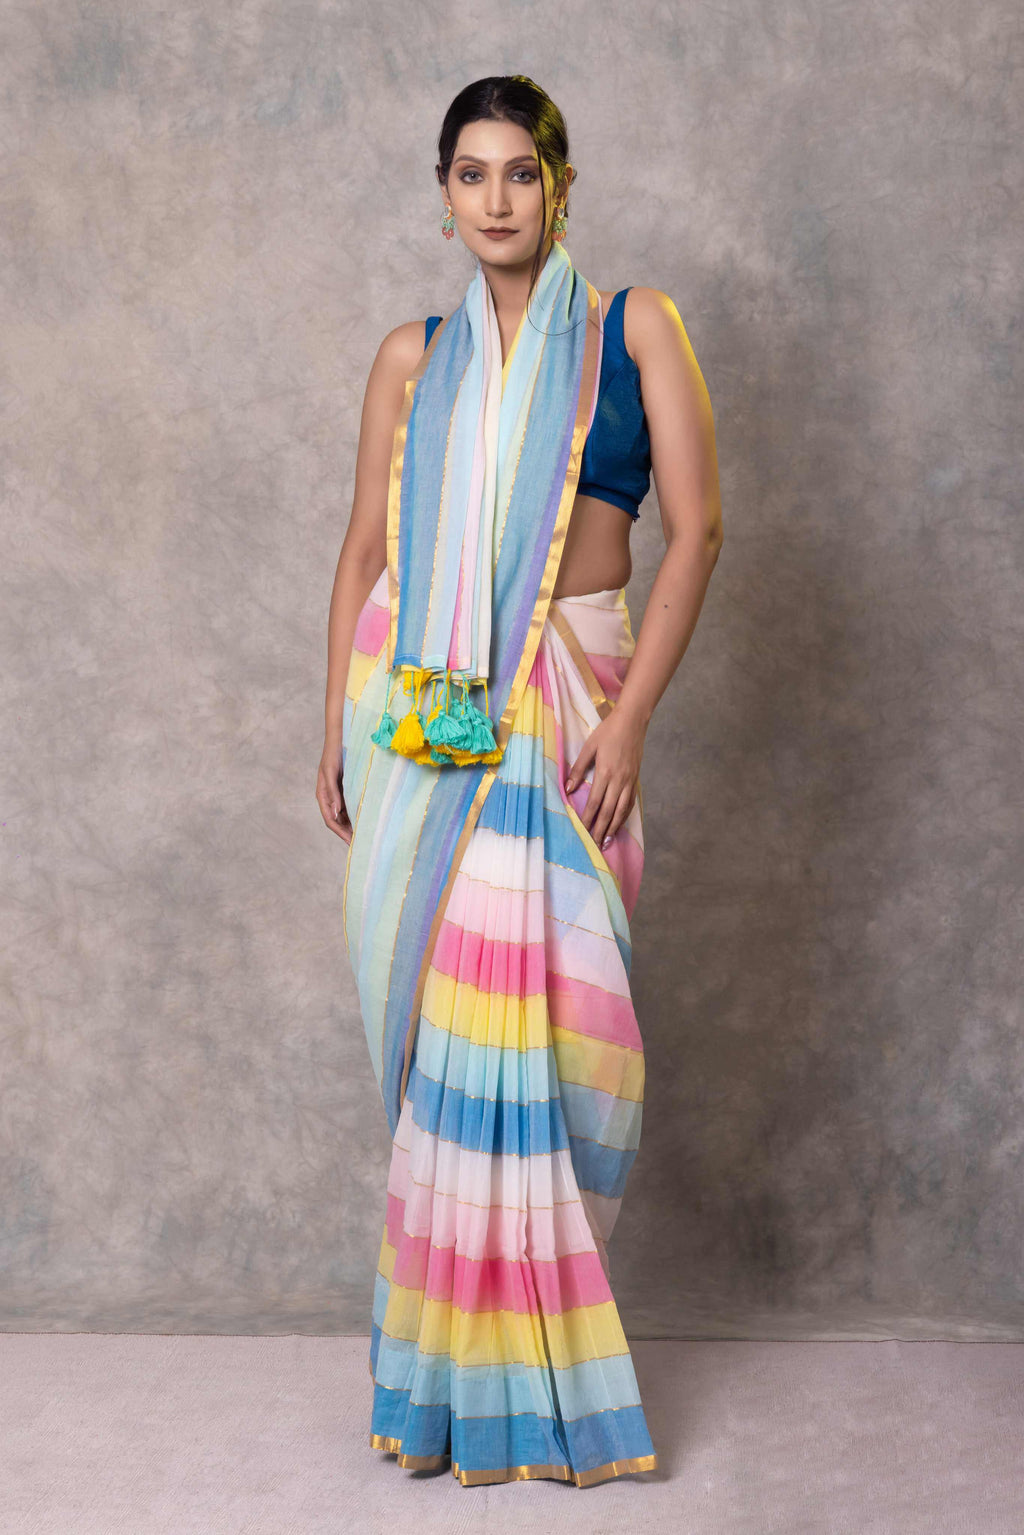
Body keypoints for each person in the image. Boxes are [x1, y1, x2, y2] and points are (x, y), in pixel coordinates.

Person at [316, 74, 723, 1488]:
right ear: (444, 194)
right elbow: (365, 554)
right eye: (471, 176)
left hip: (572, 714)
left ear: (561, 186)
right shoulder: (411, 361)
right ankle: (448, 1389)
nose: (497, 200)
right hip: (434, 735)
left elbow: (700, 532)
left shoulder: (632, 330)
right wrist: (335, 729)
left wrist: (631, 727)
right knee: (456, 1057)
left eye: (521, 175)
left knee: (553, 1056)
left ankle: (537, 1360)